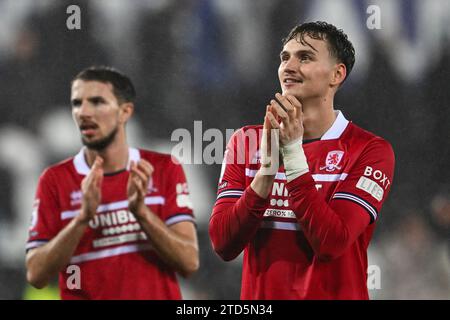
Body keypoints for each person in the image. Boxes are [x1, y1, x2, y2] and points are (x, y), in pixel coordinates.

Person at [209, 21, 395, 299]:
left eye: (305, 57)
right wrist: (266, 173)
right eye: (285, 57)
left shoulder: (369, 150)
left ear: (337, 74)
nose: (289, 66)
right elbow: (223, 244)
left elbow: (331, 243)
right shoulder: (246, 142)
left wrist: (293, 156)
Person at [25, 66, 199, 299]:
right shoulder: (54, 180)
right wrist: (82, 219)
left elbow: (189, 262)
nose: (84, 112)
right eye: (78, 103)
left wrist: (142, 213)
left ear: (125, 112)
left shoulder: (164, 169)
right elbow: (36, 274)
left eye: (97, 102)